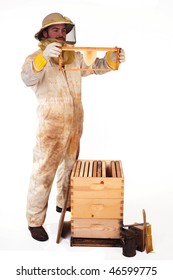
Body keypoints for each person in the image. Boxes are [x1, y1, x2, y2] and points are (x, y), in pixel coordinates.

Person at [21, 12, 125, 242]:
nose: (60, 34)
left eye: (63, 30)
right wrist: (42, 58)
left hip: (75, 122)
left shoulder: (74, 57)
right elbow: (27, 77)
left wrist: (111, 59)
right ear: (45, 33)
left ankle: (63, 203)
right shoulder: (36, 57)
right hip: (51, 126)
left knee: (71, 166)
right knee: (43, 173)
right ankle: (34, 221)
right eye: (55, 30)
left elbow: (94, 67)